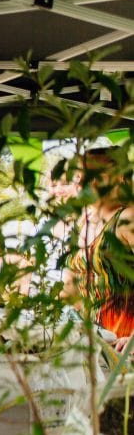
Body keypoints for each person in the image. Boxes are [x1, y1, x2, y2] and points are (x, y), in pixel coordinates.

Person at [63, 147, 134, 350]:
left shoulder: (127, 218)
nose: (83, 183)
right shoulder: (82, 222)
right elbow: (70, 290)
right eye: (78, 176)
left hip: (124, 347)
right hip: (92, 343)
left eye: (92, 176)